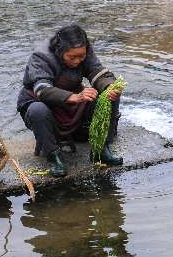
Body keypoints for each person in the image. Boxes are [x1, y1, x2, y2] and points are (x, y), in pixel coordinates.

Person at [16, 24, 123, 177]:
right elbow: (42, 90)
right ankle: (54, 157)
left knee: (109, 96)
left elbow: (97, 71)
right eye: (72, 57)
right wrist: (74, 97)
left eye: (82, 57)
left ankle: (101, 150)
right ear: (60, 51)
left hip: (72, 103)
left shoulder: (83, 51)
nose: (77, 61)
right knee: (37, 110)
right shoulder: (40, 57)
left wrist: (110, 86)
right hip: (44, 105)